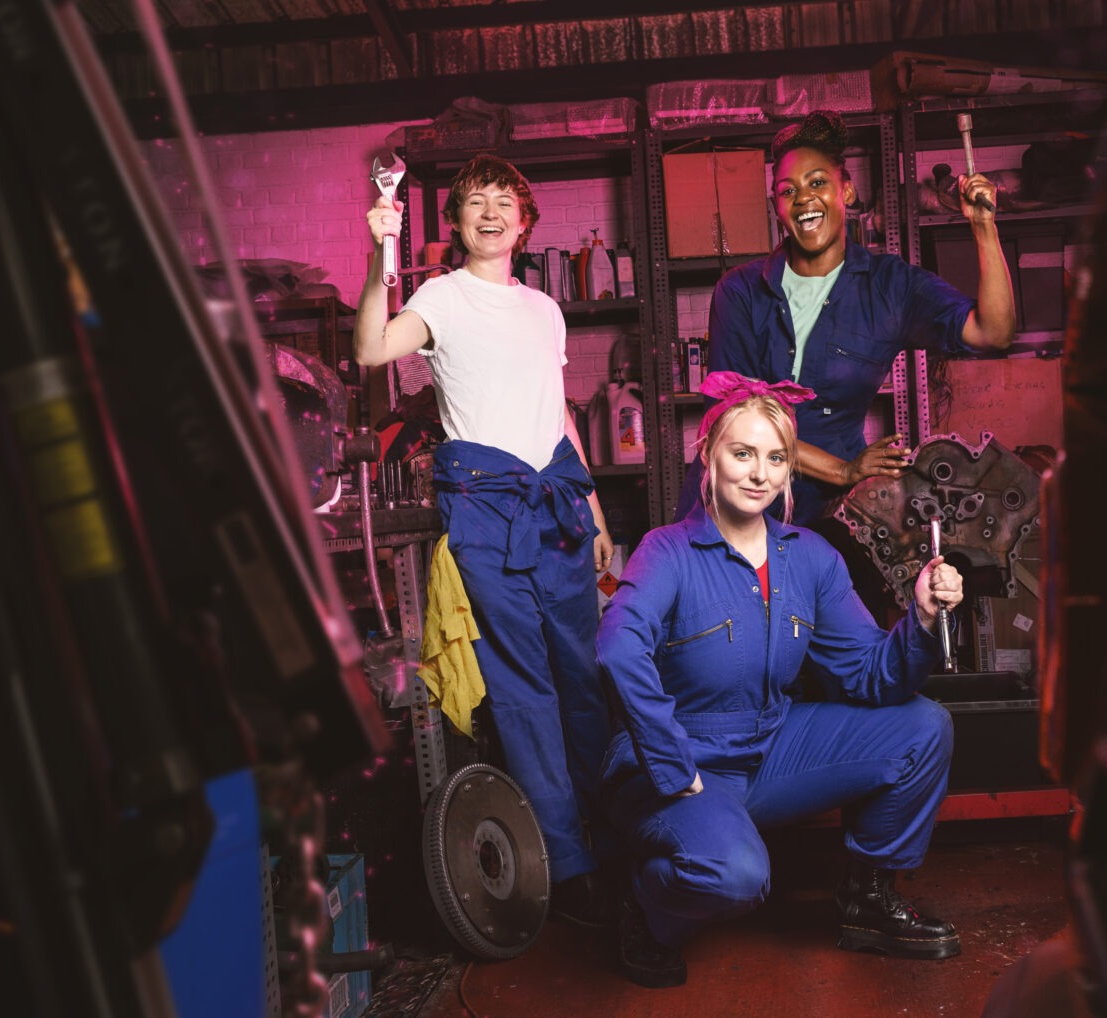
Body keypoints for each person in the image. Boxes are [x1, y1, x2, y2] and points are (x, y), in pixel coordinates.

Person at [595, 371, 965, 987]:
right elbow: (617, 647)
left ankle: (868, 898)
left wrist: (922, 617)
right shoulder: (668, 551)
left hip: (769, 746)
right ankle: (646, 906)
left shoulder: (811, 558)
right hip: (681, 762)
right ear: (708, 456)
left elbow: (871, 675)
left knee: (923, 728)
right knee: (736, 876)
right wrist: (672, 764)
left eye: (775, 458)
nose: (759, 474)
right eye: (742, 454)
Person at [354, 153, 615, 924]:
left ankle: (614, 838)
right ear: (458, 222)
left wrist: (596, 513)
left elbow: (557, 413)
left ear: (525, 221)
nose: (491, 212)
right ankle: (569, 866)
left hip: (558, 507)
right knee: (525, 689)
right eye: (475, 202)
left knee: (583, 678)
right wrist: (376, 254)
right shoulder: (441, 296)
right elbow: (370, 349)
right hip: (484, 510)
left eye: (505, 201)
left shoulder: (545, 309)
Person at [678, 110, 1016, 527]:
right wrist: (843, 470)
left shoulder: (890, 287)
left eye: (817, 182)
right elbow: (729, 420)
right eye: (787, 191)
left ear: (848, 191)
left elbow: (993, 332)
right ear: (776, 207)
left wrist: (983, 228)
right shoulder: (741, 291)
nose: (804, 198)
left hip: (826, 514)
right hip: (733, 507)